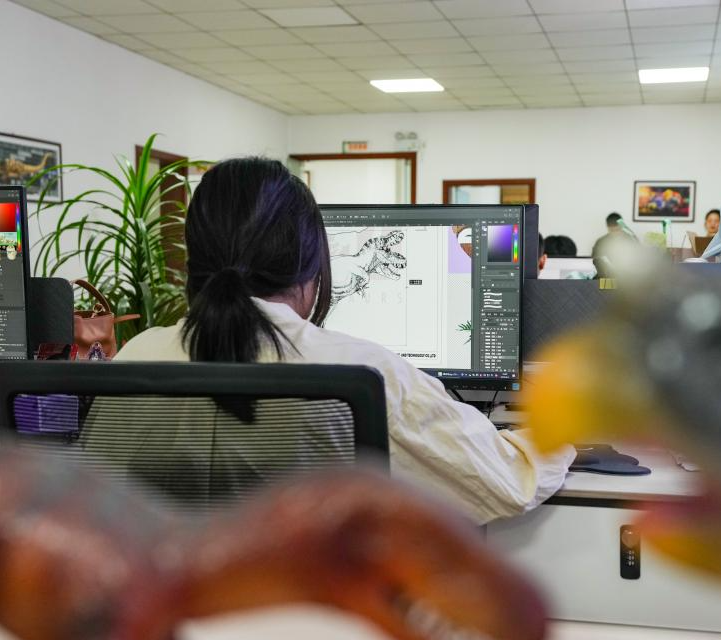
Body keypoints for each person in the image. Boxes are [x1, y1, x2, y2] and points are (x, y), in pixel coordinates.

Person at [115, 158, 575, 523]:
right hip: (316, 610)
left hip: (169, 605)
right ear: (310, 266)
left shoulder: (135, 357)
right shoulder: (361, 373)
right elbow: (506, 483)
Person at [592, 212, 624, 278]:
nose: (615, 234)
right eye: (612, 230)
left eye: (617, 230)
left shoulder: (631, 241)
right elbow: (595, 261)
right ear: (608, 227)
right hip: (605, 276)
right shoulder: (600, 242)